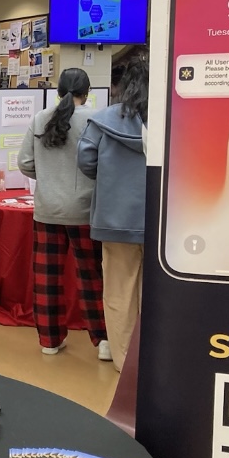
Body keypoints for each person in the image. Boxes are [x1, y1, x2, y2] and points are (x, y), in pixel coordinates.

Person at [17, 67, 109, 359]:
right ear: (88, 91)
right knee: (93, 276)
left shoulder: (40, 118)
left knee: (47, 278)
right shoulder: (97, 119)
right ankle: (104, 340)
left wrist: (47, 177)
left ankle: (50, 340)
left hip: (47, 210)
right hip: (85, 210)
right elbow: (104, 164)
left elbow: (25, 163)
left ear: (57, 90)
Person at [78, 56, 148, 372]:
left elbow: (87, 162)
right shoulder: (174, 119)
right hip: (165, 222)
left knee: (119, 293)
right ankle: (155, 357)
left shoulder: (103, 121)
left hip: (116, 219)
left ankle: (124, 363)